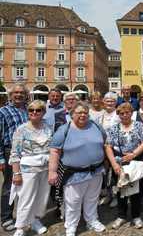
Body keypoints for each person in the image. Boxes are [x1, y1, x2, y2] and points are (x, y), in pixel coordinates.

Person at [48, 102, 106, 236]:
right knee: (73, 201)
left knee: (92, 198)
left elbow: (104, 142)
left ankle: (92, 220)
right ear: (72, 114)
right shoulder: (64, 129)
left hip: (95, 171)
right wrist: (52, 172)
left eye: (85, 112)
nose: (83, 115)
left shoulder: (96, 126)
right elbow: (54, 151)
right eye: (79, 112)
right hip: (74, 174)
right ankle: (71, 226)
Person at [9, 100, 52, 236]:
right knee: (26, 198)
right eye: (31, 110)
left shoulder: (48, 127)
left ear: (43, 112)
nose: (34, 112)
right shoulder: (21, 129)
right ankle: (20, 226)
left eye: (38, 110)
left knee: (42, 196)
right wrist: (16, 173)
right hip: (28, 169)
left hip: (45, 168)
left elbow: (53, 148)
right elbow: (15, 153)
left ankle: (34, 220)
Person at [105, 102, 143, 230]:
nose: (124, 115)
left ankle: (136, 216)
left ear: (131, 112)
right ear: (118, 114)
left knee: (136, 191)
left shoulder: (138, 125)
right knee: (121, 191)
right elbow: (108, 146)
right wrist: (113, 164)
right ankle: (121, 216)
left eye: (127, 112)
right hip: (120, 162)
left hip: (135, 161)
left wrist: (133, 154)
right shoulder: (114, 128)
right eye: (121, 113)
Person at [0, 84, 29, 232]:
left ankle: (24, 215)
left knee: (25, 185)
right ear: (10, 95)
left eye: (21, 92)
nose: (18, 95)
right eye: (16, 92)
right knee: (9, 186)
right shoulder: (3, 111)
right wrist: (1, 159)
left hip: (27, 152)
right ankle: (6, 218)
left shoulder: (28, 110)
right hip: (10, 151)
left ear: (26, 95)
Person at [94, 92, 120, 206]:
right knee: (104, 173)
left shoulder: (119, 115)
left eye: (112, 101)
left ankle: (116, 196)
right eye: (107, 101)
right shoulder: (100, 116)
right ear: (103, 102)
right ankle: (108, 194)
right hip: (102, 148)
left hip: (116, 148)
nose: (109, 103)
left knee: (116, 172)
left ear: (116, 102)